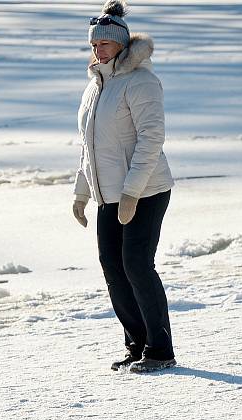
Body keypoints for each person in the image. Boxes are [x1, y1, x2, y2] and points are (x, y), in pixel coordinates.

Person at [72, 0, 176, 373]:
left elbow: (151, 138)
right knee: (113, 267)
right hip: (109, 195)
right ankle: (137, 345)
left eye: (104, 44)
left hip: (146, 190)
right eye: (93, 44)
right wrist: (82, 192)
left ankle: (161, 350)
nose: (97, 50)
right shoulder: (95, 86)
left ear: (121, 44)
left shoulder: (141, 81)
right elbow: (90, 145)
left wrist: (132, 191)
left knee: (136, 264)